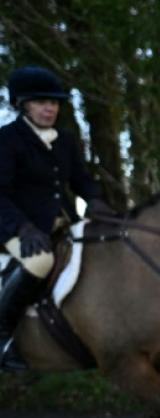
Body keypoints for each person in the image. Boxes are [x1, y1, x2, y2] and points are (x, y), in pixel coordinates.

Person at [0, 66, 114, 369]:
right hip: (15, 226)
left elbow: (80, 179)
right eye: (41, 102)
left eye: (55, 102)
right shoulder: (8, 139)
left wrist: (94, 200)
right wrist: (23, 227)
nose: (50, 108)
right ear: (22, 104)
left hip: (62, 223)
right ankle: (3, 339)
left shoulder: (64, 140)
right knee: (40, 262)